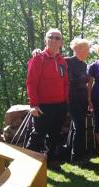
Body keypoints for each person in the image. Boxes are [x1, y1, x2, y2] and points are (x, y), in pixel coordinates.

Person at [26, 28, 69, 165]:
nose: (54, 40)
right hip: (42, 106)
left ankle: (50, 161)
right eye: (51, 37)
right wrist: (33, 104)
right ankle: (27, 163)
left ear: (61, 42)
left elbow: (65, 82)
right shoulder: (38, 58)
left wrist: (66, 102)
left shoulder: (63, 61)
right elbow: (31, 83)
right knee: (38, 135)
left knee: (55, 135)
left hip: (60, 105)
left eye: (57, 38)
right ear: (46, 40)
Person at [66, 38, 91, 163]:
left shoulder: (84, 64)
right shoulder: (67, 61)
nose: (87, 52)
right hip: (72, 99)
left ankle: (73, 152)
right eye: (84, 49)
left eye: (87, 49)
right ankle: (76, 157)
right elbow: (69, 81)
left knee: (78, 128)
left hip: (82, 99)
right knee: (80, 127)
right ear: (76, 49)